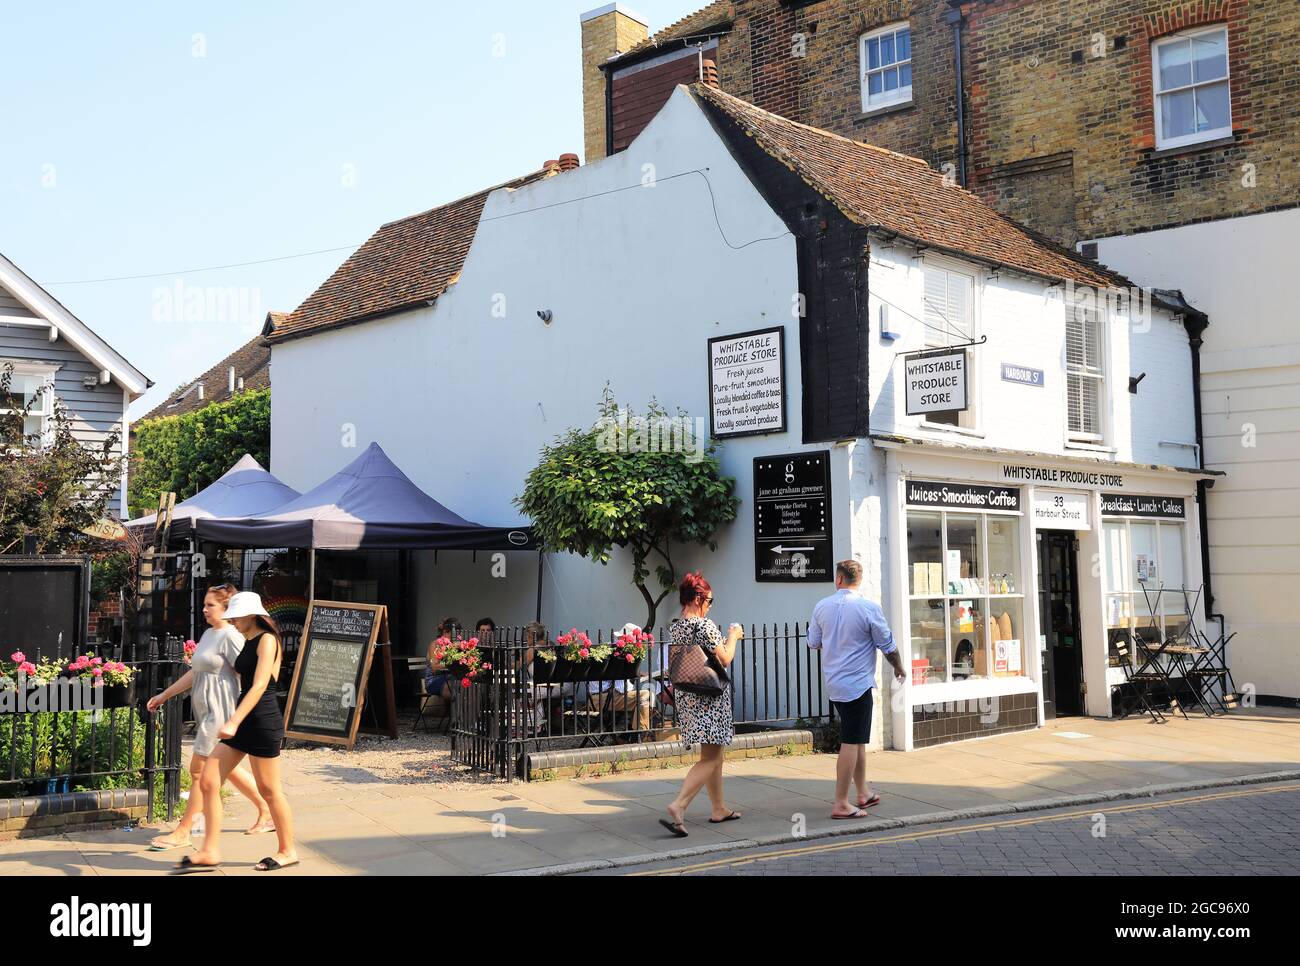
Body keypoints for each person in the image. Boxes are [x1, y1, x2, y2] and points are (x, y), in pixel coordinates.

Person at [174, 591, 297, 873]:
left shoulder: (267, 640)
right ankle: (209, 851)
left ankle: (287, 850)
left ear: (252, 615)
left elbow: (259, 685)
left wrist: (232, 721)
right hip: (243, 717)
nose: (233, 621)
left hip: (262, 719)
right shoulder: (247, 639)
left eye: (236, 616)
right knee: (208, 780)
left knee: (269, 790)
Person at [145, 584, 274, 850]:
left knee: (198, 772)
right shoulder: (208, 634)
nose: (204, 609)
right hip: (206, 711)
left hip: (222, 710)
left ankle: (183, 831)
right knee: (228, 770)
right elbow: (196, 672)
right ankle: (266, 810)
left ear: (228, 609)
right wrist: (164, 695)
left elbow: (248, 670)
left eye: (210, 605)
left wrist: (241, 713)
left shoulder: (230, 635)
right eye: (204, 604)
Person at [808, 559, 907, 819]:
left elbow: (813, 642)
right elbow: (887, 644)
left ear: (838, 579)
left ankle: (862, 792)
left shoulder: (821, 606)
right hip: (858, 684)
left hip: (834, 682)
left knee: (858, 738)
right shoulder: (868, 608)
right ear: (858, 580)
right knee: (851, 742)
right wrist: (898, 667)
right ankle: (841, 802)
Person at [659, 572, 743, 837]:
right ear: (697, 598)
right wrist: (734, 635)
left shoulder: (677, 625)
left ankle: (718, 808)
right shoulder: (702, 626)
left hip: (688, 693)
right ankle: (679, 804)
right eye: (709, 600)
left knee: (713, 754)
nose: (710, 605)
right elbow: (726, 658)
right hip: (709, 696)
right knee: (711, 756)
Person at [588, 622, 655, 733]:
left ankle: (632, 735)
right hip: (603, 699)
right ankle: (638, 735)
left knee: (642, 701)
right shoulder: (619, 654)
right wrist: (634, 676)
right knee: (645, 695)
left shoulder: (608, 648)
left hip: (594, 697)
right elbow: (622, 688)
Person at [424, 616, 463, 699]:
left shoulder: (457, 645)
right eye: (453, 633)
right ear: (445, 632)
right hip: (434, 680)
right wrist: (454, 664)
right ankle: (455, 711)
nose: (456, 636)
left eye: (458, 633)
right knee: (452, 687)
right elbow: (435, 667)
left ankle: (464, 710)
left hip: (452, 679)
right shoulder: (434, 645)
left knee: (468, 685)